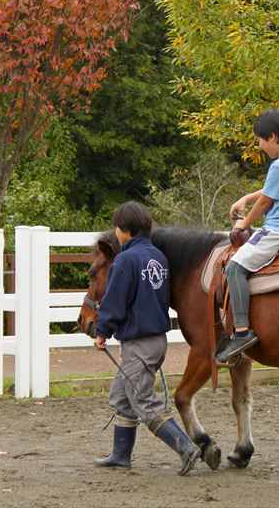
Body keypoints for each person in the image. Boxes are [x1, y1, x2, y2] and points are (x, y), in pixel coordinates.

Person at [93, 201, 201, 475]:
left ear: (123, 230)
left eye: (117, 227)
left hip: (139, 342)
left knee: (143, 400)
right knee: (122, 396)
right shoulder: (158, 257)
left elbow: (115, 300)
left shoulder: (125, 260)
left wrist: (103, 330)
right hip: (156, 339)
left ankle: (186, 448)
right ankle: (120, 455)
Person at [215, 108, 279, 363]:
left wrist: (243, 224)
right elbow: (270, 189)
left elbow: (266, 203)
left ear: (272, 137)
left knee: (235, 267)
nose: (260, 146)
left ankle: (241, 332)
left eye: (260, 140)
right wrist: (247, 197)